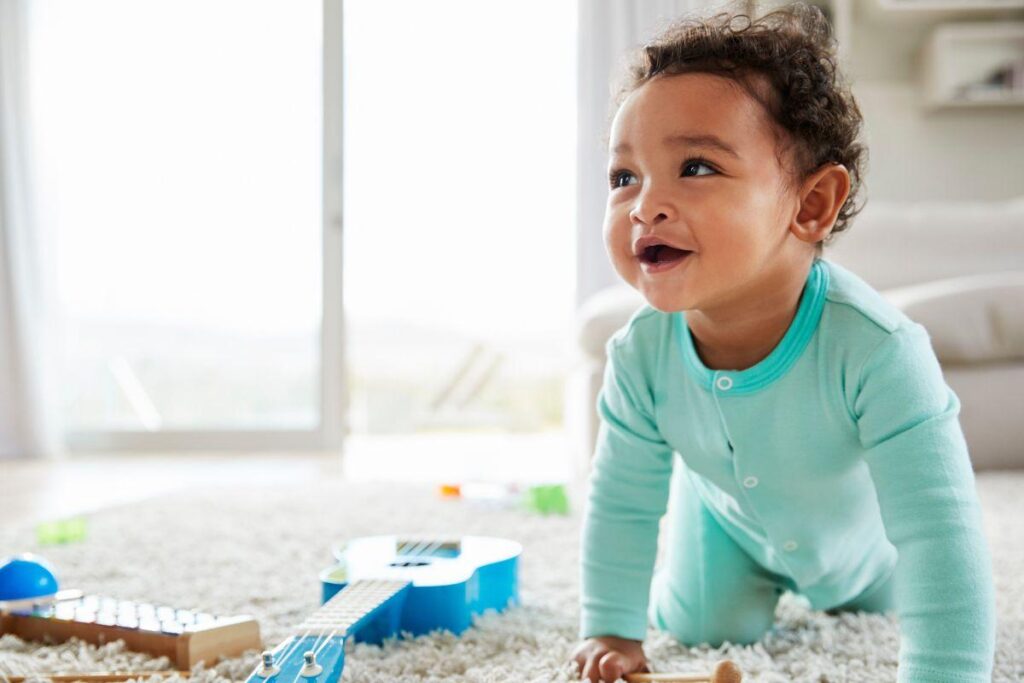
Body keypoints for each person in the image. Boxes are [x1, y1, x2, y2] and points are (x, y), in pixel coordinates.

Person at [570, 3, 996, 682]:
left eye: (697, 167)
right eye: (624, 177)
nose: (645, 203)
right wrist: (613, 629)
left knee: (886, 600)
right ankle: (712, 553)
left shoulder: (880, 350)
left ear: (811, 205)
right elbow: (620, 500)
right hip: (723, 526)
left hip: (864, 545)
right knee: (703, 624)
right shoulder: (639, 355)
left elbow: (939, 535)